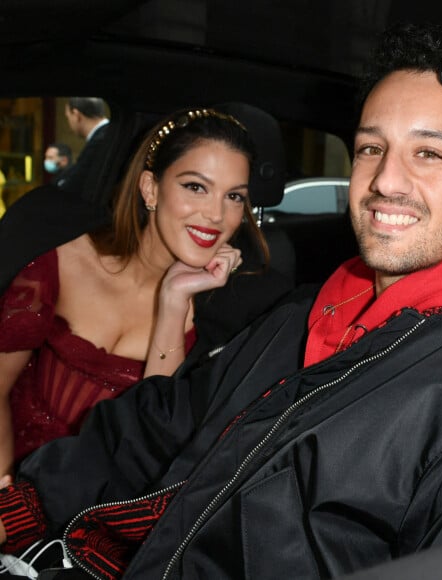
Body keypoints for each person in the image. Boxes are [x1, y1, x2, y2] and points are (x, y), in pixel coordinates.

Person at [0, 22, 442, 580]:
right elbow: (157, 424)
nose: (385, 181)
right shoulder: (310, 310)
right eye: (370, 149)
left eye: (428, 154)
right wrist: (22, 503)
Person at [0, 107, 281, 477]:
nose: (216, 214)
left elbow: (150, 443)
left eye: (234, 197)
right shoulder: (62, 261)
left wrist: (174, 300)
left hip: (106, 509)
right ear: (150, 188)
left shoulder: (228, 315)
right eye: (196, 187)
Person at [57, 97, 110, 198]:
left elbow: (77, 182)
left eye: (68, 117)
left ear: (76, 115)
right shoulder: (107, 134)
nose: (69, 124)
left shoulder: (101, 141)